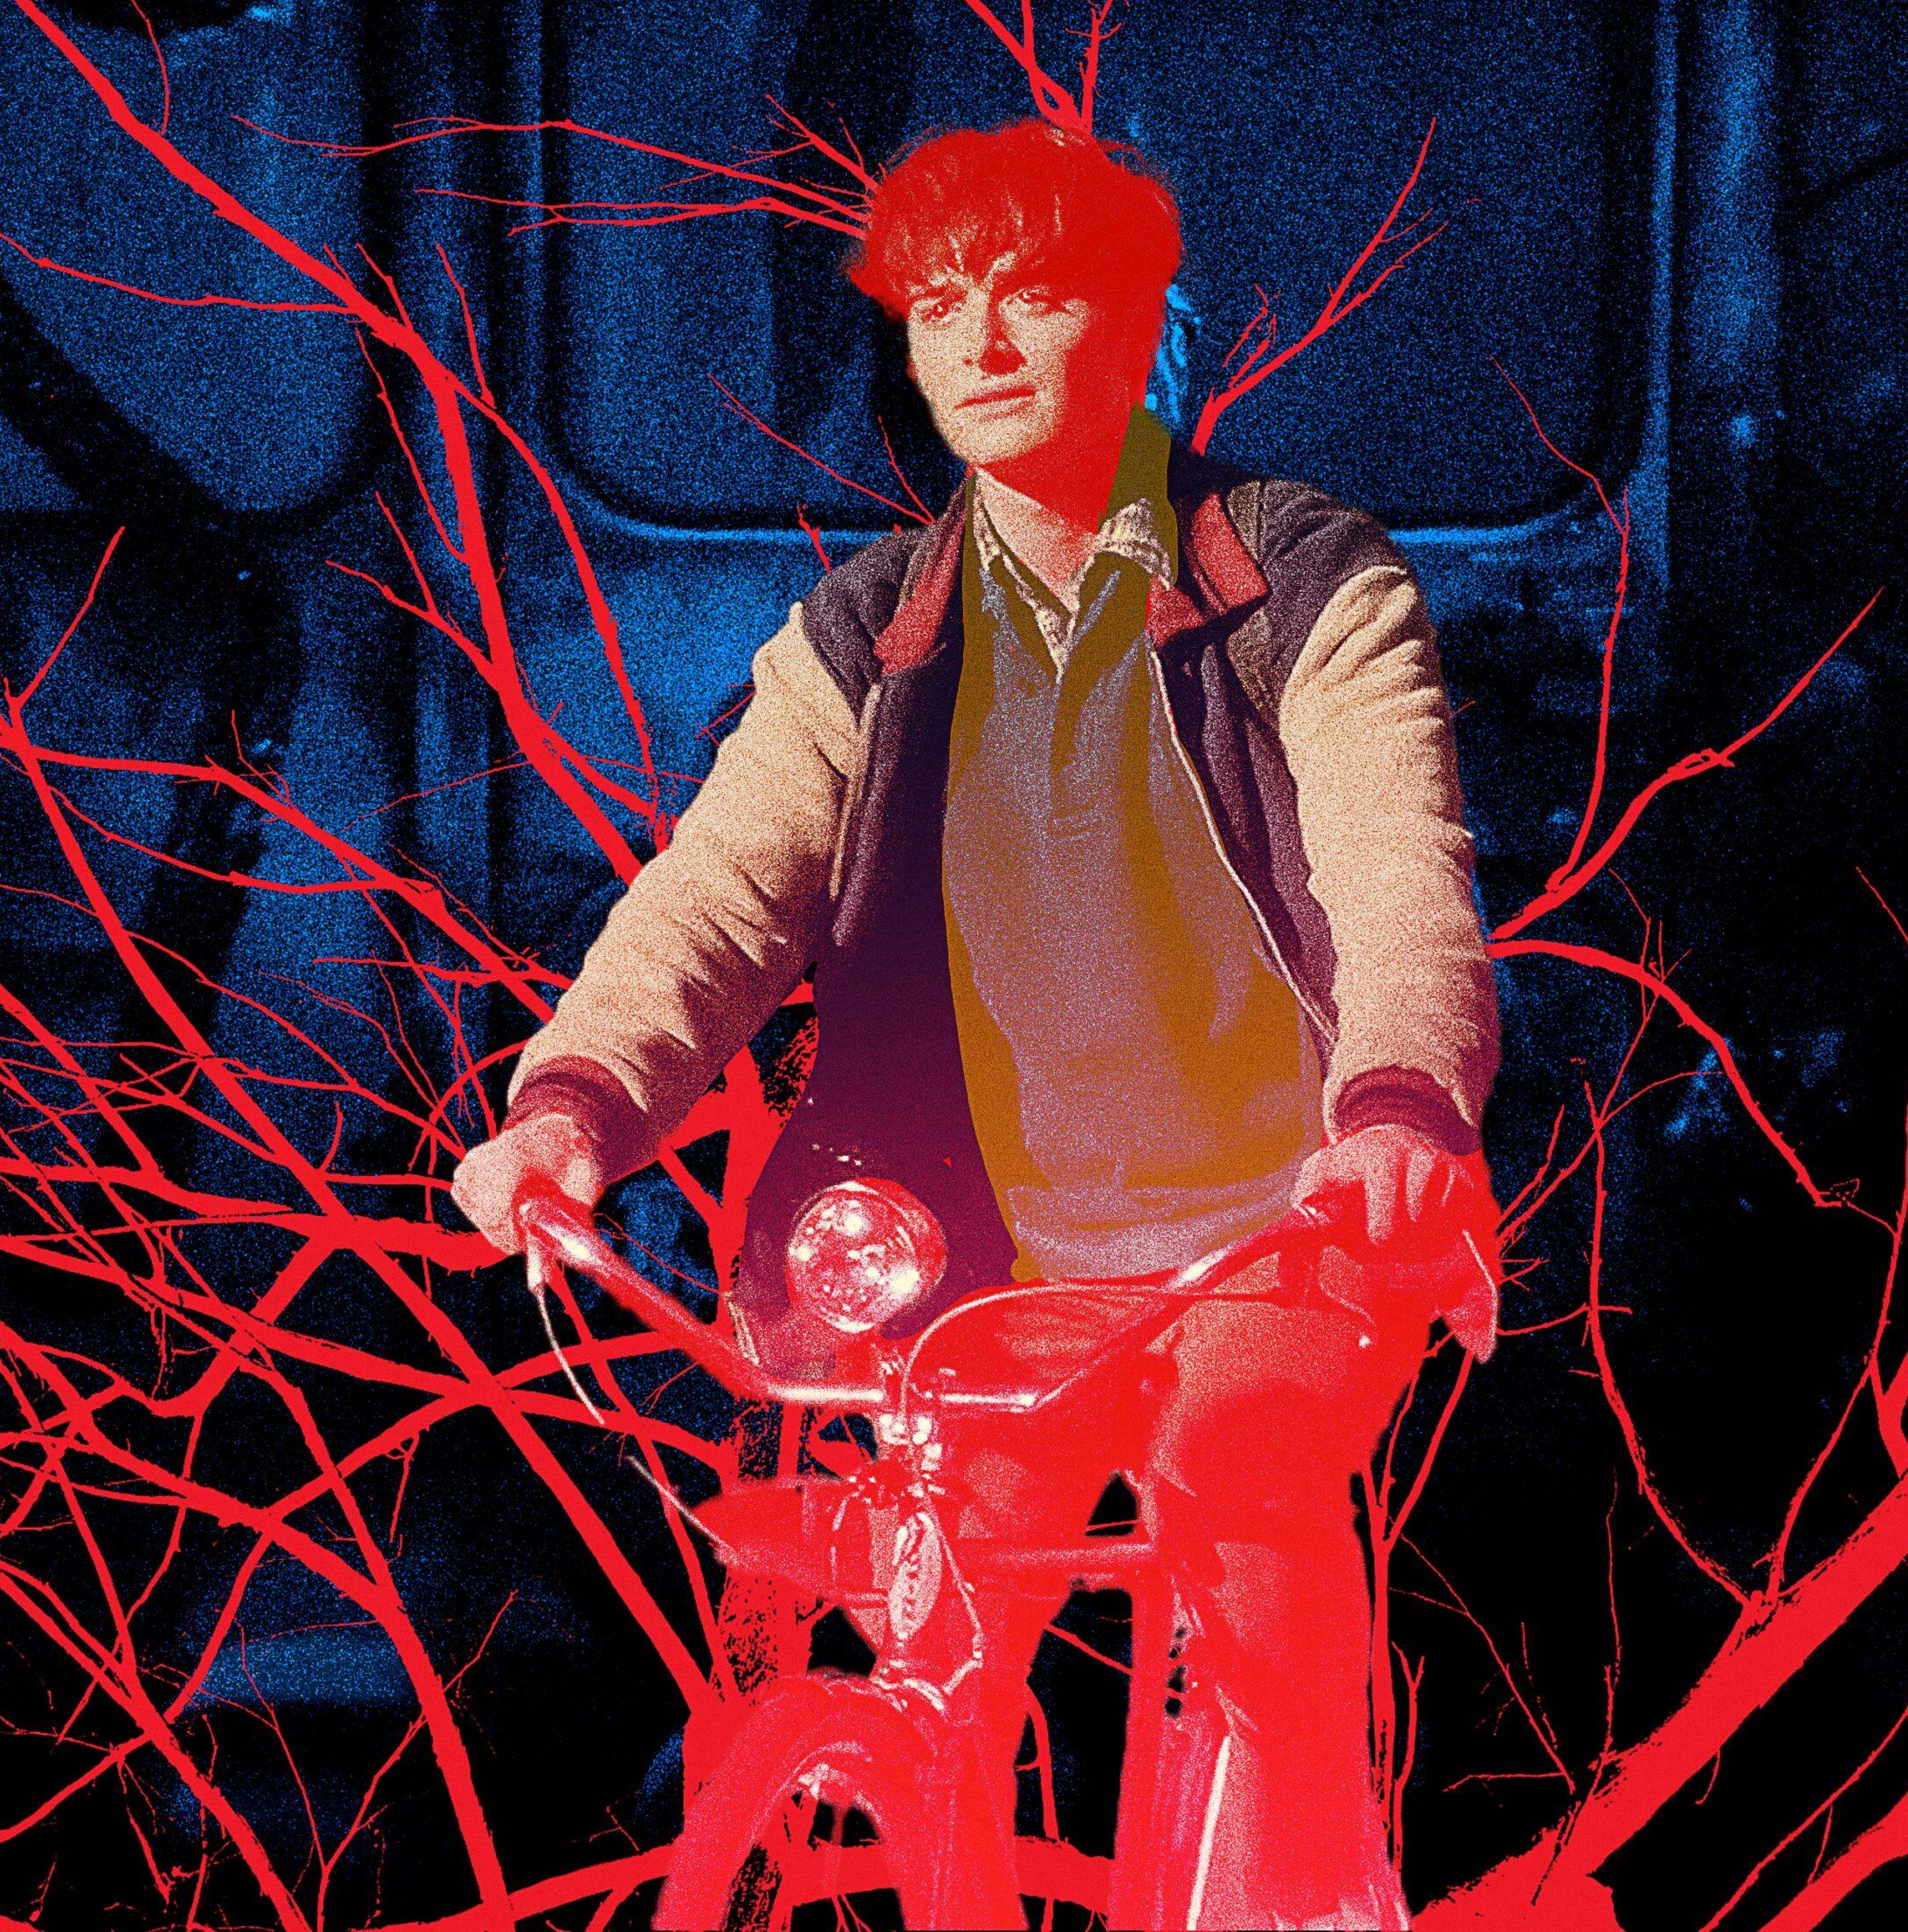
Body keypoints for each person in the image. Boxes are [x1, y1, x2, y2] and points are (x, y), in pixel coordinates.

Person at [451, 120, 1501, 1928]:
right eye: (940, 305)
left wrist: (1398, 1103)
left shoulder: (1299, 573)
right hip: (991, 1254)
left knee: (1245, 1507)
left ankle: (1303, 1892)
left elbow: (1395, 859)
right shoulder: (872, 630)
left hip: (1281, 1226)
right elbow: (721, 891)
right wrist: (574, 1102)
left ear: (1137, 321)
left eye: (1033, 293)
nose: (982, 342)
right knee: (923, 1618)